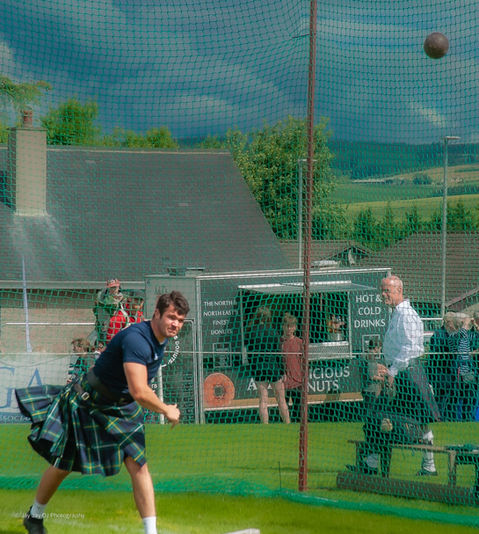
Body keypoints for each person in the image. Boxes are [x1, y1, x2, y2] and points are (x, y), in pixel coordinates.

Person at [16, 291, 190, 534]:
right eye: (171, 317)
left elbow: (136, 388)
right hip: (90, 402)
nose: (175, 324)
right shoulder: (137, 340)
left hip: (123, 407)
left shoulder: (161, 339)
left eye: (180, 320)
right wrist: (166, 409)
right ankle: (34, 516)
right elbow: (139, 391)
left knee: (139, 465)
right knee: (63, 464)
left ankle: (151, 532)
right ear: (157, 314)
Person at [376, 275, 441, 476]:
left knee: (420, 420)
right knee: (381, 416)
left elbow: (411, 347)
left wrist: (393, 371)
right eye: (382, 290)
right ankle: (370, 462)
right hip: (401, 372)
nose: (383, 294)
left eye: (387, 290)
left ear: (399, 290)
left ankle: (429, 466)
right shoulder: (397, 313)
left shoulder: (407, 315)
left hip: (409, 374)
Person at [245, 307, 290, 424]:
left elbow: (249, 354)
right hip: (273, 367)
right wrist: (282, 371)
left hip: (259, 368)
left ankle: (265, 425)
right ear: (268, 317)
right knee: (281, 400)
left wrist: (253, 369)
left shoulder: (251, 333)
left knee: (263, 400)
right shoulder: (273, 332)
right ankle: (287, 423)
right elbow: (278, 353)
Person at [448, 313, 478, 421]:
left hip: (469, 372)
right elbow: (458, 337)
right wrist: (465, 325)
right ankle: (461, 420)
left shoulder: (468, 335)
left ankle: (468, 420)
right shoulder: (453, 336)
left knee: (471, 400)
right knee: (463, 401)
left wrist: (475, 326)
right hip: (460, 374)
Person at [427, 312, 456, 420]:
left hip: (447, 372)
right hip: (440, 373)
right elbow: (438, 355)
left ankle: (444, 418)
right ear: (448, 322)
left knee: (447, 397)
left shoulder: (447, 334)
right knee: (441, 397)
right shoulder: (439, 335)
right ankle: (439, 418)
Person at [281, 313, 303, 422]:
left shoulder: (299, 342)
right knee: (283, 405)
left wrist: (304, 377)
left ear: (295, 327)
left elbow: (304, 362)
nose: (289, 329)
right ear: (283, 326)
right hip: (284, 381)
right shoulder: (279, 342)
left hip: (297, 380)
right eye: (287, 326)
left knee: (298, 407)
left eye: (291, 326)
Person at [92, 278, 125, 345]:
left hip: (117, 323)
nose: (113, 290)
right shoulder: (102, 295)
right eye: (111, 288)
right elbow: (99, 303)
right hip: (104, 321)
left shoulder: (121, 296)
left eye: (115, 287)